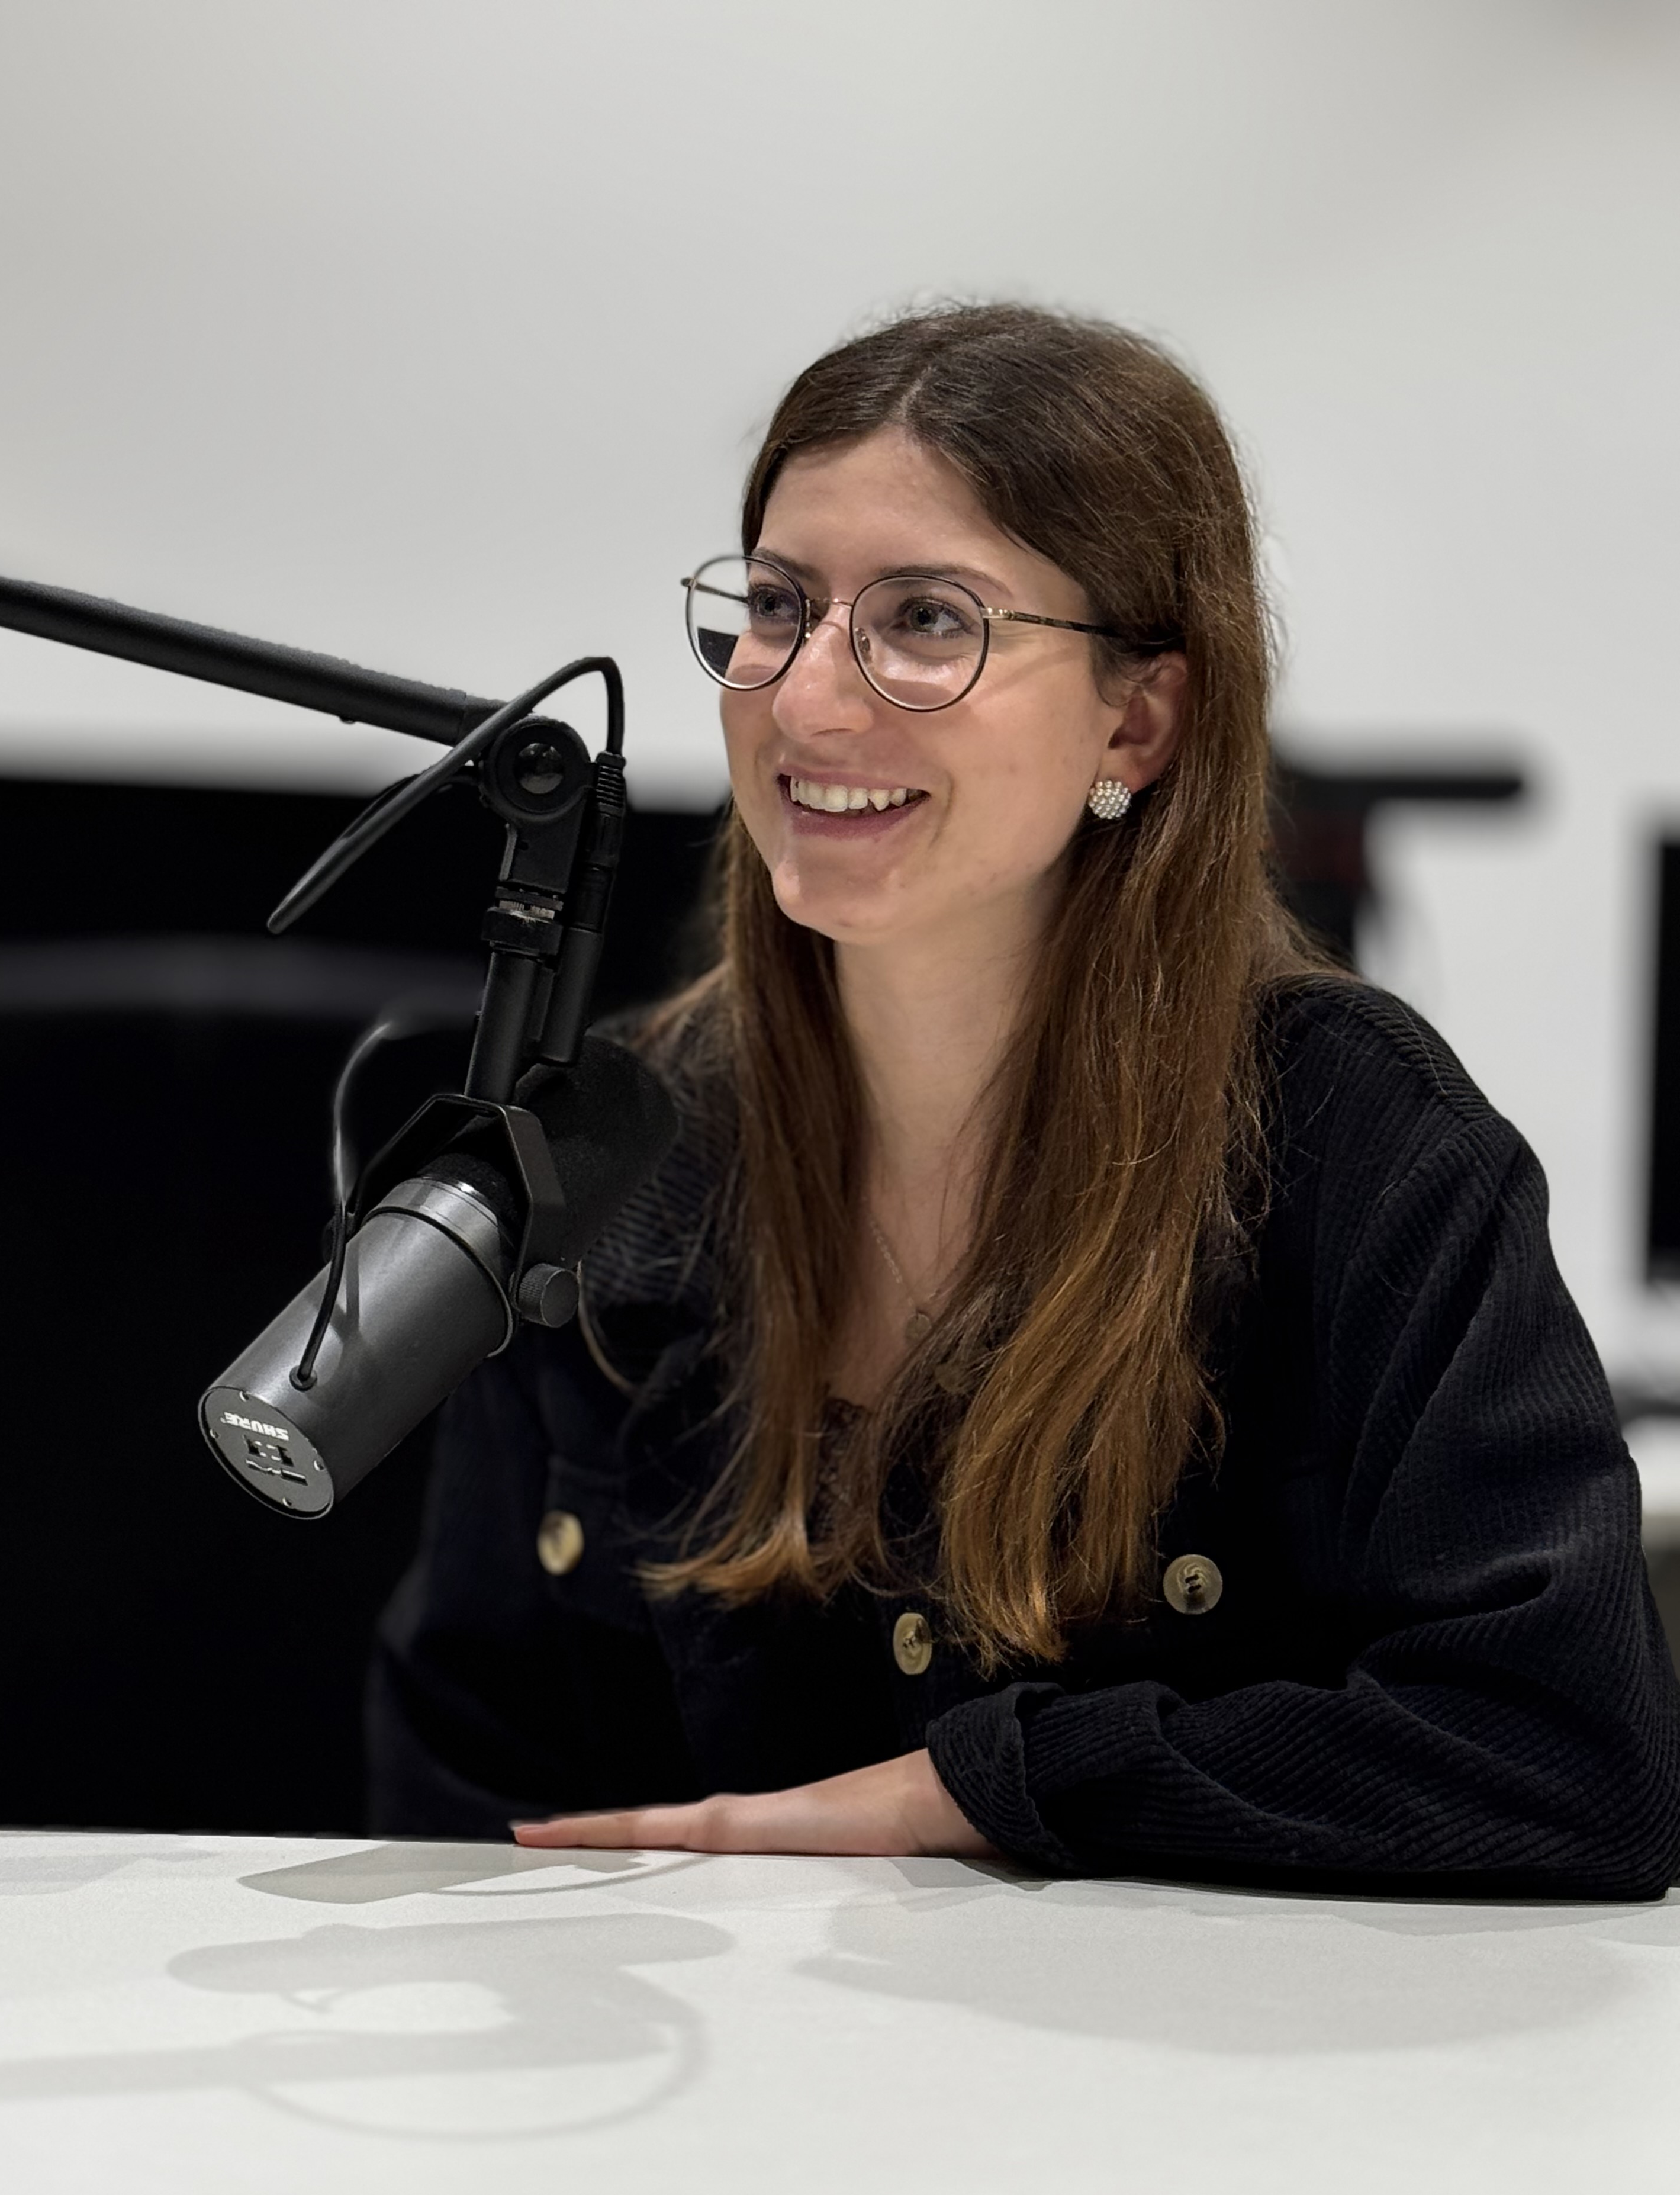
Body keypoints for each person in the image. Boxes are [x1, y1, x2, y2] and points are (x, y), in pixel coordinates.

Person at [368, 302, 1680, 1895]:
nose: (806, 702)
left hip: (1182, 2057)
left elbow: (1568, 1760)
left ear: (1138, 720)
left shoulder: (1360, 1142)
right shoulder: (618, 1145)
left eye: (929, 620)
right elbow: (457, 1781)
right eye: (777, 607)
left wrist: (984, 1792)